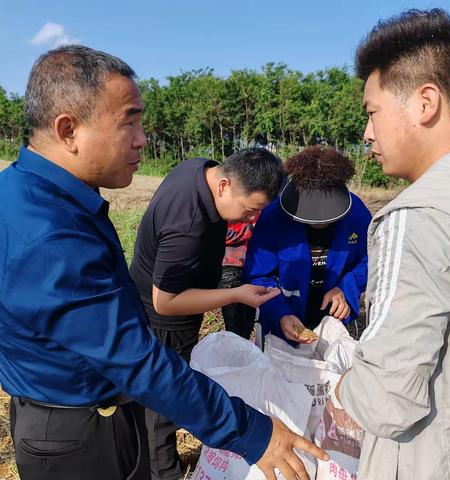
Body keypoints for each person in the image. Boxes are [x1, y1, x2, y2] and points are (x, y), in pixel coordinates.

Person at [0, 45, 328, 480]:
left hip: (65, 410)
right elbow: (137, 363)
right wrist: (252, 432)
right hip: (81, 435)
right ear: (69, 130)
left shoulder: (27, 193)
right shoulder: (51, 235)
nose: (142, 139)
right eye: (128, 122)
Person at [332, 9, 450, 479]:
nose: (367, 132)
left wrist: (341, 395)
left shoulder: (417, 216)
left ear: (425, 102)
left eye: (372, 111)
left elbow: (387, 399)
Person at [129, 147, 286, 479]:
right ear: (225, 185)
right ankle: (164, 472)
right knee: (163, 403)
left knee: (166, 396)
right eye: (249, 209)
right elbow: (166, 301)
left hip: (178, 302)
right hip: (164, 322)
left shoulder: (201, 170)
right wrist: (236, 294)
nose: (249, 220)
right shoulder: (188, 224)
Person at [244, 146, 371, 343]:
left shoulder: (356, 214)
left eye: (328, 218)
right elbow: (259, 275)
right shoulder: (274, 217)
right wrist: (280, 313)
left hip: (331, 318)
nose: (319, 223)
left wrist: (344, 289)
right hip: (283, 320)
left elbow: (368, 261)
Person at [218, 214, 260, 339]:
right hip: (230, 269)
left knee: (248, 324)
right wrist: (251, 230)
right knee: (235, 331)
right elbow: (217, 234)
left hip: (252, 268)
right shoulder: (226, 205)